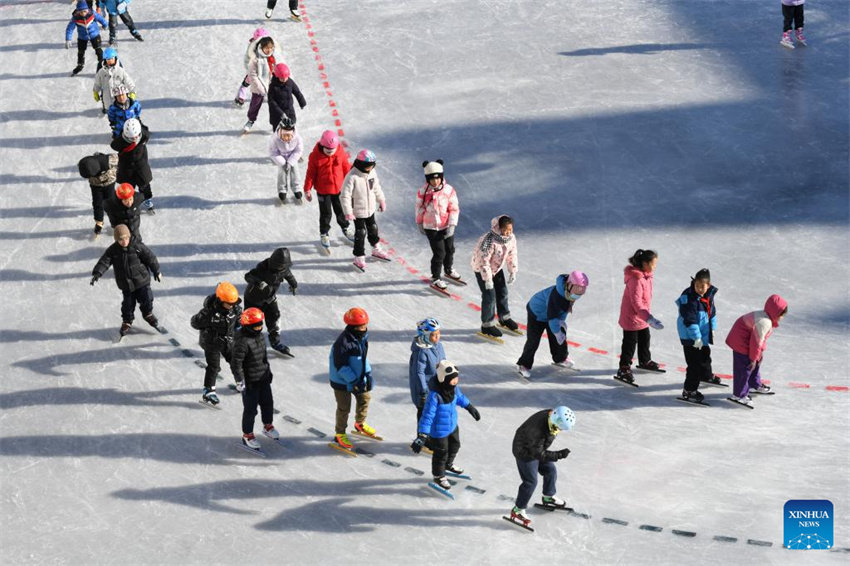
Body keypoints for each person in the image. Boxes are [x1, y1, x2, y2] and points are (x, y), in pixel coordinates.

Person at [411, 360, 481, 491]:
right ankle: (438, 475)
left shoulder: (453, 389)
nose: (456, 381)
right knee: (441, 453)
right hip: (438, 431)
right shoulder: (434, 395)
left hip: (452, 425)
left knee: (455, 445)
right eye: (452, 379)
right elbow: (427, 416)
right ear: (443, 379)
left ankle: (448, 465)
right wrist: (422, 435)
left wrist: (469, 407)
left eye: (456, 378)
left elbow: (460, 397)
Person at [508, 406, 575, 528]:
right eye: (560, 427)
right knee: (530, 482)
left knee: (550, 470)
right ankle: (518, 510)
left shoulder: (551, 416)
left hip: (535, 448)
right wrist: (559, 454)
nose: (560, 430)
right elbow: (539, 454)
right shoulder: (538, 430)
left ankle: (548, 496)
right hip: (524, 452)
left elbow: (540, 449)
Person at [90, 224, 161, 337]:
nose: (124, 241)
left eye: (126, 238)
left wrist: (156, 270)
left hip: (141, 280)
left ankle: (148, 314)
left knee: (147, 297)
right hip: (126, 283)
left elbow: (150, 257)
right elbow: (104, 261)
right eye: (120, 239)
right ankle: (127, 321)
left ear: (129, 236)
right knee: (127, 304)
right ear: (116, 239)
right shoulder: (113, 250)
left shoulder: (137, 246)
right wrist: (98, 273)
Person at [516, 271, 589, 379]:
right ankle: (523, 365)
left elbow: (563, 310)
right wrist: (557, 332)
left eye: (580, 293)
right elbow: (553, 318)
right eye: (576, 291)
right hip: (537, 314)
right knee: (534, 340)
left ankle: (560, 358)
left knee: (560, 335)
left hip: (550, 315)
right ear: (569, 285)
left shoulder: (569, 293)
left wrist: (561, 322)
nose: (577, 295)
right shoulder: (556, 296)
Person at [725, 295, 788, 405]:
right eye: (781, 315)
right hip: (740, 341)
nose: (782, 318)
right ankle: (739, 395)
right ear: (776, 312)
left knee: (755, 362)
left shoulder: (767, 318)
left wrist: (759, 354)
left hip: (746, 340)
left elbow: (760, 340)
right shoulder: (765, 322)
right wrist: (753, 358)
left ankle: (754, 384)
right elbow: (756, 341)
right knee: (745, 366)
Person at [231, 307, 280, 450]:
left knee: (268, 403)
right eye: (257, 325)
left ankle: (268, 426)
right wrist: (240, 380)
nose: (260, 328)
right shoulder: (242, 341)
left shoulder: (259, 336)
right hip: (250, 381)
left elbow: (263, 356)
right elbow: (236, 363)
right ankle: (247, 435)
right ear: (248, 325)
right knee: (250, 410)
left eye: (261, 325)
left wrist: (268, 371)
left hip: (263, 377)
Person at [329, 307, 377, 450]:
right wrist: (354, 381)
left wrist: (368, 373)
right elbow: (341, 366)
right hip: (341, 381)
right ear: (353, 327)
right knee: (344, 408)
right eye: (361, 326)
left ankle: (360, 423)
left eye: (365, 325)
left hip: (357, 376)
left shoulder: (361, 338)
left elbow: (362, 358)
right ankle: (340, 434)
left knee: (365, 398)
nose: (364, 328)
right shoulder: (342, 343)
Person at [191, 282, 243, 407]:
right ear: (220, 300)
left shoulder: (235, 309)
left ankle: (241, 382)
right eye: (228, 303)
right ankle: (208, 391)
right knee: (214, 367)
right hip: (212, 343)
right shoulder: (209, 313)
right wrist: (206, 325)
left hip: (228, 341)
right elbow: (194, 322)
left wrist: (239, 329)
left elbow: (238, 320)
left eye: (233, 303)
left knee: (236, 361)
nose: (231, 306)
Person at [616, 249, 665, 384]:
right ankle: (624, 368)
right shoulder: (636, 279)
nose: (655, 267)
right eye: (653, 264)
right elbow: (636, 303)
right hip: (631, 317)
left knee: (645, 337)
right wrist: (649, 318)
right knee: (630, 343)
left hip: (642, 315)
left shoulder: (646, 275)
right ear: (645, 263)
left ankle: (645, 360)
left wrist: (646, 316)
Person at [303, 130, 354, 251]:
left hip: (338, 189)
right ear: (322, 146)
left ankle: (345, 228)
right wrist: (307, 189)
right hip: (323, 190)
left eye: (332, 151)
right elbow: (310, 174)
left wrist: (353, 181)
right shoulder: (315, 156)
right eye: (327, 151)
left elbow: (346, 167)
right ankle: (324, 233)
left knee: (341, 210)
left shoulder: (340, 152)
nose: (330, 153)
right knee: (326, 213)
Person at [340, 149, 390, 271]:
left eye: (372, 166)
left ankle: (376, 248)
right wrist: (348, 212)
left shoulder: (372, 172)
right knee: (361, 232)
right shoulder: (352, 176)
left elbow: (376, 187)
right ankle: (359, 256)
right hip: (358, 211)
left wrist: (381, 200)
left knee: (373, 228)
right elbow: (344, 196)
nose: (370, 168)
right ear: (361, 164)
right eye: (368, 166)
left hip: (370, 208)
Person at [471, 215, 519, 338]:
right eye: (505, 230)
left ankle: (504, 317)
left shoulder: (511, 238)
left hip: (496, 268)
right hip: (482, 269)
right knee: (490, 297)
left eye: (510, 229)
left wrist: (512, 271)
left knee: (503, 292)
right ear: (498, 228)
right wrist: (487, 280)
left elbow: (512, 255)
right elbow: (483, 261)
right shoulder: (488, 240)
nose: (508, 232)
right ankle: (487, 325)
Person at [675, 268, 720, 402]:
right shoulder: (689, 298)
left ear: (708, 285)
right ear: (693, 283)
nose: (699, 289)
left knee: (705, 356)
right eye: (697, 286)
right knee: (694, 365)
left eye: (702, 286)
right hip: (690, 337)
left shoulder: (708, 295)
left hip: (703, 335)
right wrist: (697, 338)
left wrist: (713, 328)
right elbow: (689, 321)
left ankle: (706, 376)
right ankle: (689, 390)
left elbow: (712, 313)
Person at [243, 248, 298, 355]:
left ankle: (275, 341)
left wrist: (294, 285)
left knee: (275, 316)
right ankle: (245, 343)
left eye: (283, 266)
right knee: (252, 322)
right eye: (280, 266)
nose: (282, 268)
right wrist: (259, 283)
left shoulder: (284, 269)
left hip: (270, 297)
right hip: (254, 299)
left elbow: (289, 276)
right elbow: (248, 276)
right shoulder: (263, 267)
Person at [415, 160, 460, 290]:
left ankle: (448, 269)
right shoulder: (423, 192)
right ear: (427, 179)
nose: (435, 182)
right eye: (432, 179)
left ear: (441, 177)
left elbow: (454, 208)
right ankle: (435, 277)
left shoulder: (449, 190)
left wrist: (452, 225)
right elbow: (419, 208)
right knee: (439, 253)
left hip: (446, 225)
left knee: (450, 249)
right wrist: (419, 222)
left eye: (437, 179)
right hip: (431, 227)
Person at [110, 118, 154, 212]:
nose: (134, 139)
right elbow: (113, 145)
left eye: (136, 136)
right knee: (128, 186)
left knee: (144, 184)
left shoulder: (143, 136)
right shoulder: (122, 141)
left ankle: (147, 199)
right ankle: (127, 201)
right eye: (131, 138)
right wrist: (124, 141)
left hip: (140, 165)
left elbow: (146, 133)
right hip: (126, 167)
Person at [408, 318, 446, 426]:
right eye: (434, 334)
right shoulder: (421, 351)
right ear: (425, 336)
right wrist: (423, 391)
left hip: (435, 387)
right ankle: (421, 437)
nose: (437, 336)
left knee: (434, 413)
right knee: (424, 414)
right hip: (423, 391)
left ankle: (432, 437)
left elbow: (443, 361)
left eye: (438, 333)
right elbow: (418, 373)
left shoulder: (439, 346)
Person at [243, 36, 280, 134]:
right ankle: (251, 120)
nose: (269, 50)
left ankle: (276, 122)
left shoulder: (272, 58)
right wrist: (260, 88)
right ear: (261, 47)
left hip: (270, 85)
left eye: (271, 47)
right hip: (258, 88)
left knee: (275, 105)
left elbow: (274, 70)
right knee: (254, 105)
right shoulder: (255, 59)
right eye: (267, 48)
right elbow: (252, 75)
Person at [77, 152, 118, 236]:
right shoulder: (84, 164)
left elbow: (120, 159)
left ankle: (115, 221)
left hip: (109, 182)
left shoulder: (109, 160)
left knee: (110, 202)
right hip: (95, 185)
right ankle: (99, 221)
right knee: (97, 203)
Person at [65, 1, 107, 76]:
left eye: (85, 11)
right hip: (82, 37)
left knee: (98, 50)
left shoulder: (92, 14)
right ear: (78, 11)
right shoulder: (75, 17)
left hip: (94, 35)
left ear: (88, 9)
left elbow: (100, 18)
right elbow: (70, 28)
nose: (83, 13)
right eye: (81, 12)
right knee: (81, 52)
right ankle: (80, 65)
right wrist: (68, 39)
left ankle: (103, 65)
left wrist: (105, 24)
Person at [267, 116, 303, 203]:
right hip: (281, 157)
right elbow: (273, 152)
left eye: (289, 136)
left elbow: (299, 150)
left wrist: (291, 162)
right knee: (282, 172)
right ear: (281, 133)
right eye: (285, 135)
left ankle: (297, 188)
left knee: (295, 171)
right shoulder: (275, 138)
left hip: (292, 157)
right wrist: (282, 162)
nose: (287, 138)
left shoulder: (297, 138)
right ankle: (282, 189)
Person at [93, 47, 135, 114]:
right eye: (108, 59)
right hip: (107, 99)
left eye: (112, 59)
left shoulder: (120, 71)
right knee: (111, 116)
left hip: (120, 99)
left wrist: (132, 92)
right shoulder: (101, 72)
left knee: (121, 115)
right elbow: (97, 83)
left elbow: (129, 82)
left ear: (115, 58)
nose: (110, 61)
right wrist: (95, 91)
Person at [234, 27, 269, 106]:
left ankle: (268, 95)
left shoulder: (266, 46)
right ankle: (239, 97)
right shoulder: (252, 48)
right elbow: (247, 59)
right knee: (246, 83)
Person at [267, 63, 306, 133]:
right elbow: (271, 102)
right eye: (282, 78)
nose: (285, 79)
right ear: (277, 76)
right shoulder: (273, 87)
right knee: (278, 130)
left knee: (291, 124)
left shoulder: (290, 82)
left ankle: (290, 138)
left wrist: (302, 102)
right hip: (277, 114)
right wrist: (281, 113)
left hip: (289, 109)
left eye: (286, 77)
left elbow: (297, 91)